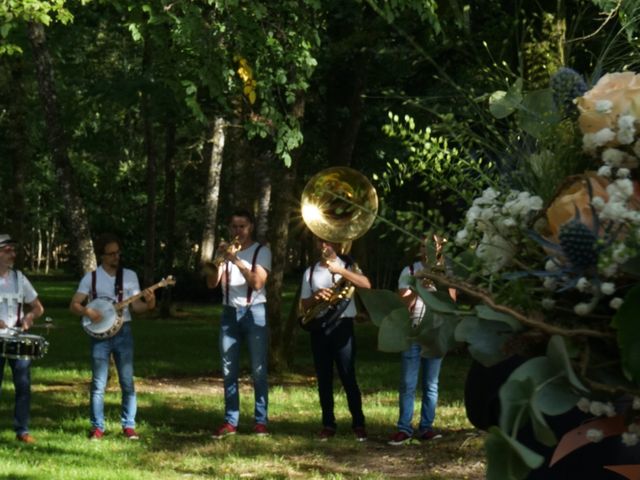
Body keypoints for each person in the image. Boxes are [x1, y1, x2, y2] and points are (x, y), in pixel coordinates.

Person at [69, 233, 156, 440]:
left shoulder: (130, 276)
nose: (116, 257)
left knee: (127, 381)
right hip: (100, 334)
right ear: (102, 256)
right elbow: (74, 305)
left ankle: (128, 426)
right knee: (99, 382)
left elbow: (137, 307)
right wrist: (88, 312)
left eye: (118, 253)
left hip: (123, 331)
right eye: (111, 254)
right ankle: (97, 427)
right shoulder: (91, 278)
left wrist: (151, 303)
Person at [206, 209, 272, 439]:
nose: (238, 231)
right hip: (229, 313)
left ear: (250, 227)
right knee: (228, 370)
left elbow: (257, 283)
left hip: (254, 312)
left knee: (258, 369)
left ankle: (261, 421)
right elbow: (211, 283)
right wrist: (220, 263)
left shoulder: (261, 252)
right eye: (234, 227)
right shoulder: (224, 251)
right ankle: (230, 420)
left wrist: (236, 261)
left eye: (242, 226)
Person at [299, 237, 371, 442]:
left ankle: (358, 423)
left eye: (328, 242)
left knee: (348, 376)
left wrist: (341, 272)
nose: (324, 246)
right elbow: (304, 305)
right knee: (323, 378)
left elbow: (366, 285)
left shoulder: (348, 265)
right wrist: (317, 297)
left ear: (337, 244)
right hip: (319, 328)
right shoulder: (310, 271)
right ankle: (328, 424)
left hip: (343, 326)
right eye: (320, 242)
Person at [388, 234, 454, 446]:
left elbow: (451, 302)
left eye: (434, 246)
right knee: (408, 383)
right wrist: (419, 287)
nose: (430, 250)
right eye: (426, 246)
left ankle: (426, 427)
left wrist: (439, 283)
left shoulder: (446, 272)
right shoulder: (409, 271)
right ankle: (404, 428)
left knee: (431, 384)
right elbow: (403, 302)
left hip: (435, 334)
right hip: (414, 332)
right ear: (420, 249)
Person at [0, 234, 45, 444]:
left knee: (23, 385)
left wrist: (29, 316)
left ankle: (22, 430)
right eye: (8, 250)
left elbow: (38, 307)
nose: (13, 254)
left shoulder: (19, 278)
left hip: (17, 338)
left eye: (13, 250)